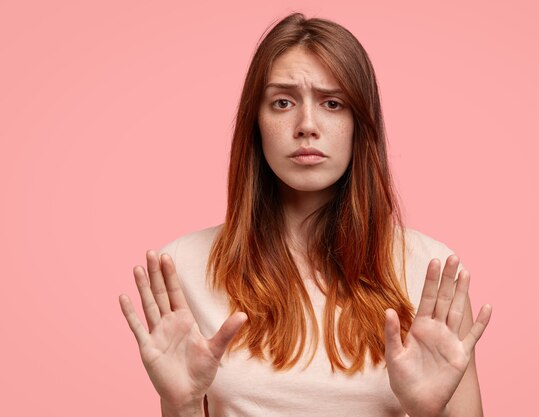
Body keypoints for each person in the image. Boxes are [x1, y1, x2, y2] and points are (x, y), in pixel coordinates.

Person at [119, 12, 492, 417]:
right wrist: (183, 405)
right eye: (282, 102)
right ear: (255, 123)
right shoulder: (184, 268)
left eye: (332, 103)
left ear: (359, 124)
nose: (307, 125)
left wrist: (427, 412)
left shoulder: (431, 273)